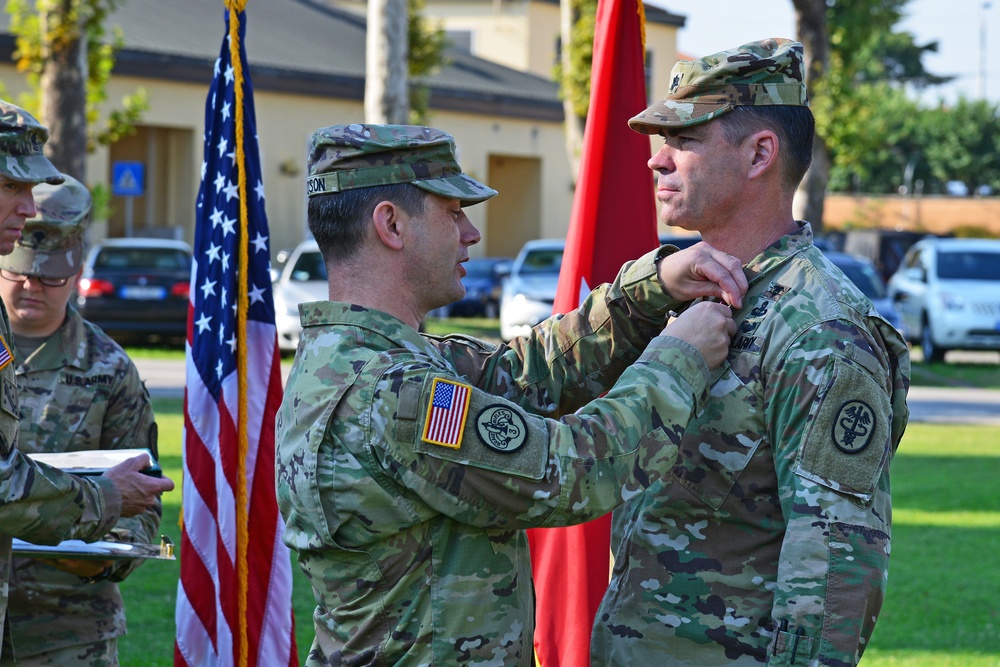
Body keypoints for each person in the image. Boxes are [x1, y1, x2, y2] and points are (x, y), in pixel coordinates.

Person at [275, 123, 748, 666]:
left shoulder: (356, 359)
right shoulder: (393, 392)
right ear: (391, 224)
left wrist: (649, 289)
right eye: (453, 212)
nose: (471, 233)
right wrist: (679, 359)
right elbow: (572, 471)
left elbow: (521, 374)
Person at [590, 38, 911, 666]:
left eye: (684, 142)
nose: (658, 162)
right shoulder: (687, 291)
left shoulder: (821, 326)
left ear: (760, 153)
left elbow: (833, 566)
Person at [0, 100, 173, 644]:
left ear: (75, 275)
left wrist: (99, 555)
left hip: (64, 631)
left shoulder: (109, 368)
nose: (32, 287)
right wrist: (99, 499)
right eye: (12, 187)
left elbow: (143, 497)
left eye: (49, 279)